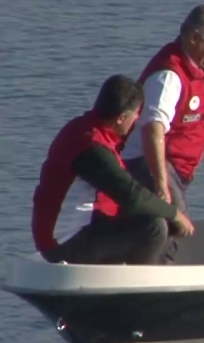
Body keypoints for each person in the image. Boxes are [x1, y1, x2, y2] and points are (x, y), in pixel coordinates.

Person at [32, 75, 195, 265]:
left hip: (82, 229)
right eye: (136, 114)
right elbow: (132, 196)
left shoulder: (84, 128)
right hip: (64, 245)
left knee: (151, 213)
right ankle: (138, 287)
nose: (136, 119)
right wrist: (174, 214)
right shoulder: (91, 148)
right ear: (121, 118)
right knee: (154, 227)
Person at [123, 5, 204, 237]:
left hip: (178, 167)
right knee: (177, 223)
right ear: (194, 39)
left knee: (170, 224)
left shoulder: (203, 66)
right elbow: (152, 130)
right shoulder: (168, 76)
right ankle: (159, 269)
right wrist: (161, 186)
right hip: (149, 162)